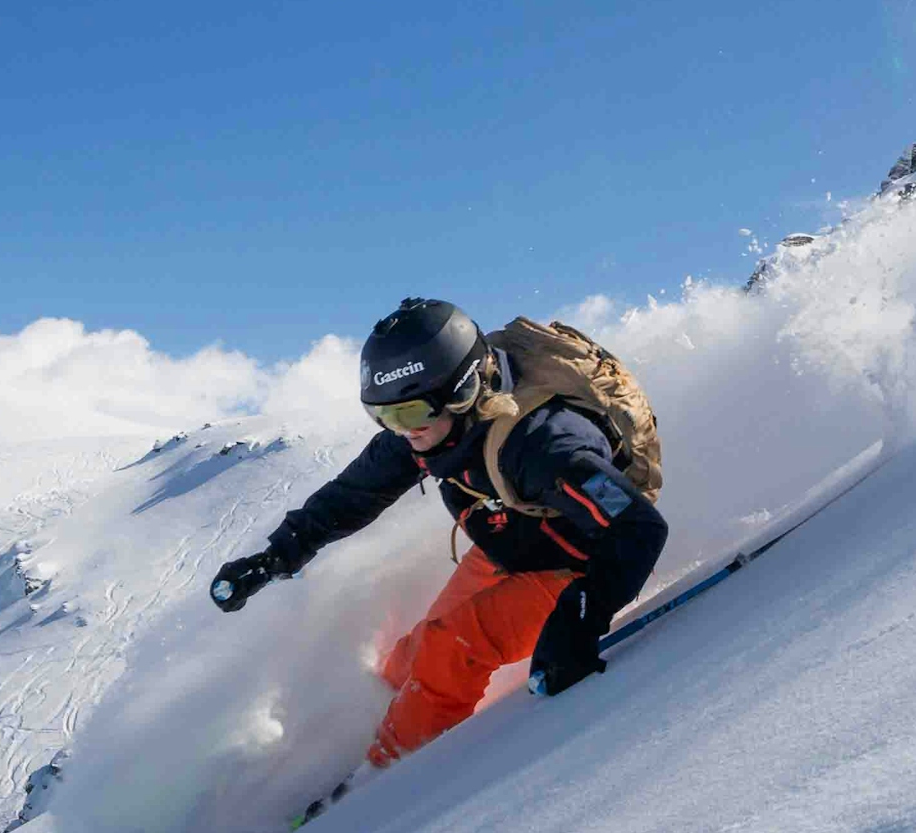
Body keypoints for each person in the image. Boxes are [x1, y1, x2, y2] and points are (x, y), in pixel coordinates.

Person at [209, 299, 668, 767]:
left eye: (405, 416)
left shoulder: (544, 445)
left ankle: (379, 782)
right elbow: (351, 495)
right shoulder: (426, 427)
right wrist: (274, 557)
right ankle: (361, 734)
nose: (398, 431)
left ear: (462, 392)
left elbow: (637, 530)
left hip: (586, 561)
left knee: (450, 650)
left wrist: (581, 618)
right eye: (382, 417)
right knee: (413, 650)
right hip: (514, 538)